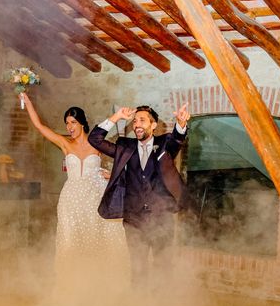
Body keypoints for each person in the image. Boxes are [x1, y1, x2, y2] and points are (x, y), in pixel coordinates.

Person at [20, 93, 128, 284]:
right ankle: (70, 284)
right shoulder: (65, 143)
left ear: (82, 123)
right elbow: (39, 126)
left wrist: (111, 175)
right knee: (70, 241)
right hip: (70, 199)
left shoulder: (96, 143)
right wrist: (28, 102)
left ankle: (96, 283)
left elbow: (123, 161)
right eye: (67, 123)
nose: (69, 127)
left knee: (95, 240)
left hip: (94, 197)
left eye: (73, 123)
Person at [88, 103, 191, 278]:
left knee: (163, 268)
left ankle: (160, 304)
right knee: (137, 269)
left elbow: (177, 139)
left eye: (142, 120)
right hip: (133, 220)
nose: (137, 124)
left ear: (153, 125)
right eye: (135, 121)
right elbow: (95, 139)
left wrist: (181, 124)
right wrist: (117, 116)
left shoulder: (165, 143)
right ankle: (139, 304)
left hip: (161, 219)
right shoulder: (125, 147)